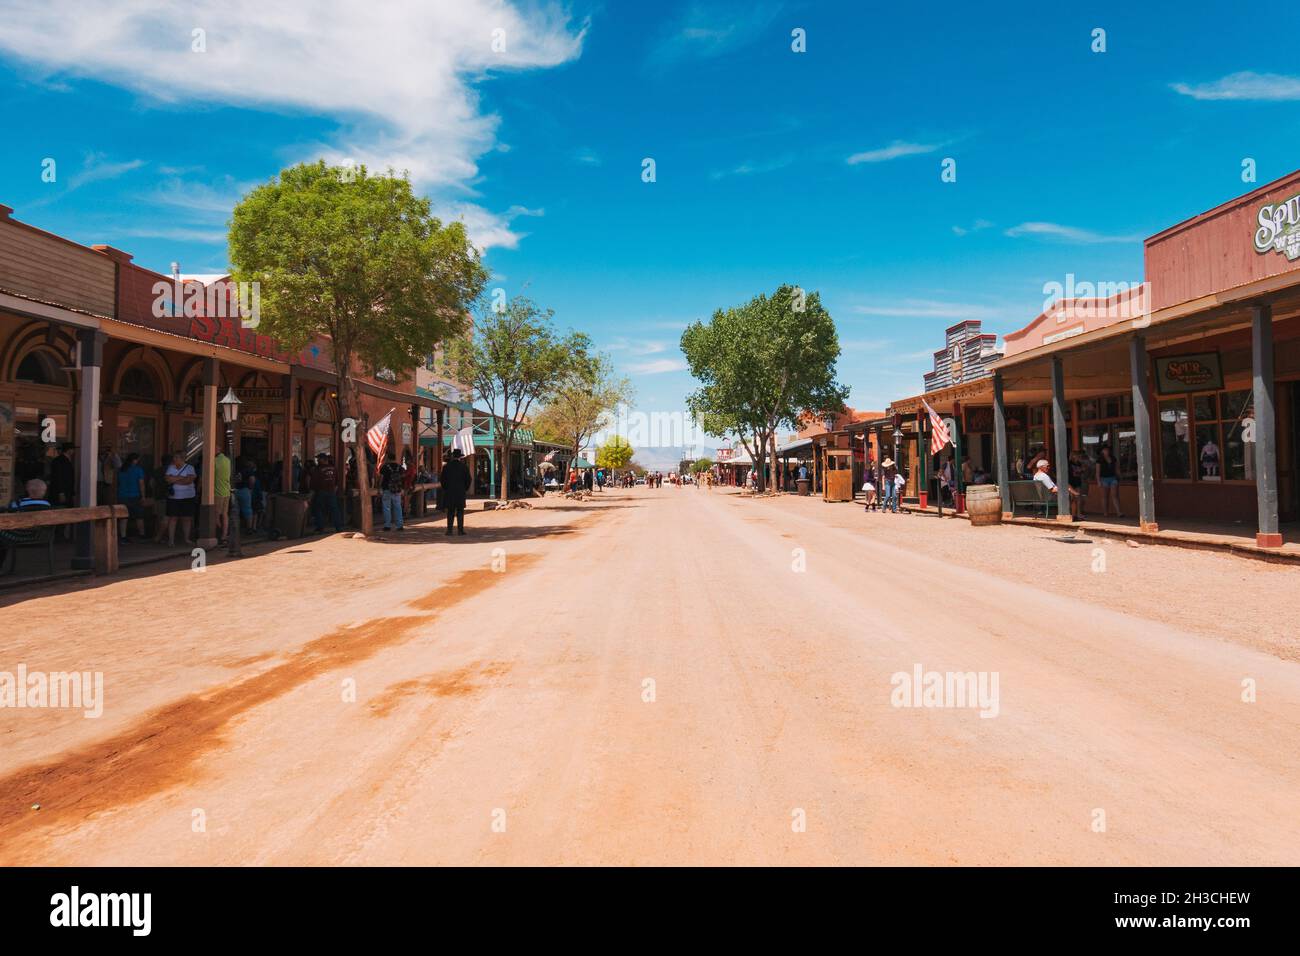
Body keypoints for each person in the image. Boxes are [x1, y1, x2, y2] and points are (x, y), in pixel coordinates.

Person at [162, 451, 197, 546]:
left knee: (187, 518)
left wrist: (175, 478)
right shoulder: (170, 467)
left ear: (182, 458)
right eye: (174, 457)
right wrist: (181, 478)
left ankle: (187, 539)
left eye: (176, 457)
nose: (174, 459)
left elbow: (189, 481)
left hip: (188, 496)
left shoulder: (190, 468)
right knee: (173, 518)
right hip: (174, 497)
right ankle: (171, 540)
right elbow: (167, 480)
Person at [117, 452, 147, 541]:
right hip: (135, 496)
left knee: (124, 518)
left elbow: (117, 483)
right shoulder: (138, 470)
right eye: (137, 459)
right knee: (139, 516)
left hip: (122, 495)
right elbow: (141, 484)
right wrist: (143, 496)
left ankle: (123, 537)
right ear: (134, 460)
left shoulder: (121, 470)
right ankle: (142, 535)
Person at [441, 448, 472, 536]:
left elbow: (442, 480)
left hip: (450, 492)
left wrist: (446, 488)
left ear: (453, 456)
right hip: (460, 493)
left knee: (450, 512)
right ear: (460, 457)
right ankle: (460, 530)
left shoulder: (446, 467)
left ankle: (449, 530)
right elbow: (469, 480)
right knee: (460, 512)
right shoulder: (464, 467)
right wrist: (464, 489)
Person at [311, 453, 343, 534]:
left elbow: (314, 481)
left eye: (319, 459)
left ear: (324, 459)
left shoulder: (318, 469)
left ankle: (320, 528)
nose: (317, 460)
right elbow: (337, 481)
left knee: (318, 509)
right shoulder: (333, 468)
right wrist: (334, 490)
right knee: (334, 509)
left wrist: (312, 491)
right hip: (331, 492)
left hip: (321, 491)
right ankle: (338, 527)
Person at [378, 452, 405, 532]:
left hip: (387, 489)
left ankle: (387, 526)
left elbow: (381, 478)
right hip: (397, 490)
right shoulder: (399, 467)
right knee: (398, 507)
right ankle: (399, 525)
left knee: (387, 508)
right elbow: (402, 478)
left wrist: (379, 487)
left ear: (388, 458)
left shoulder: (385, 467)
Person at [1095, 445, 1122, 518]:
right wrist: (1098, 481)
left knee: (1115, 495)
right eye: (1105, 450)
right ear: (1102, 451)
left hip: (1113, 478)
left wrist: (1119, 477)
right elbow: (1097, 472)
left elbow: (1117, 468)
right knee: (1104, 496)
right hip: (1103, 479)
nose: (1106, 451)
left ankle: (1119, 512)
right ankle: (1105, 512)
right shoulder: (1099, 460)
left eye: (1107, 450)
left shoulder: (1113, 458)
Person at [213, 449, 232, 543]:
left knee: (216, 514)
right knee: (225, 514)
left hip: (217, 491)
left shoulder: (214, 461)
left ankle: (219, 534)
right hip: (227, 491)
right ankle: (224, 534)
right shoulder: (228, 461)